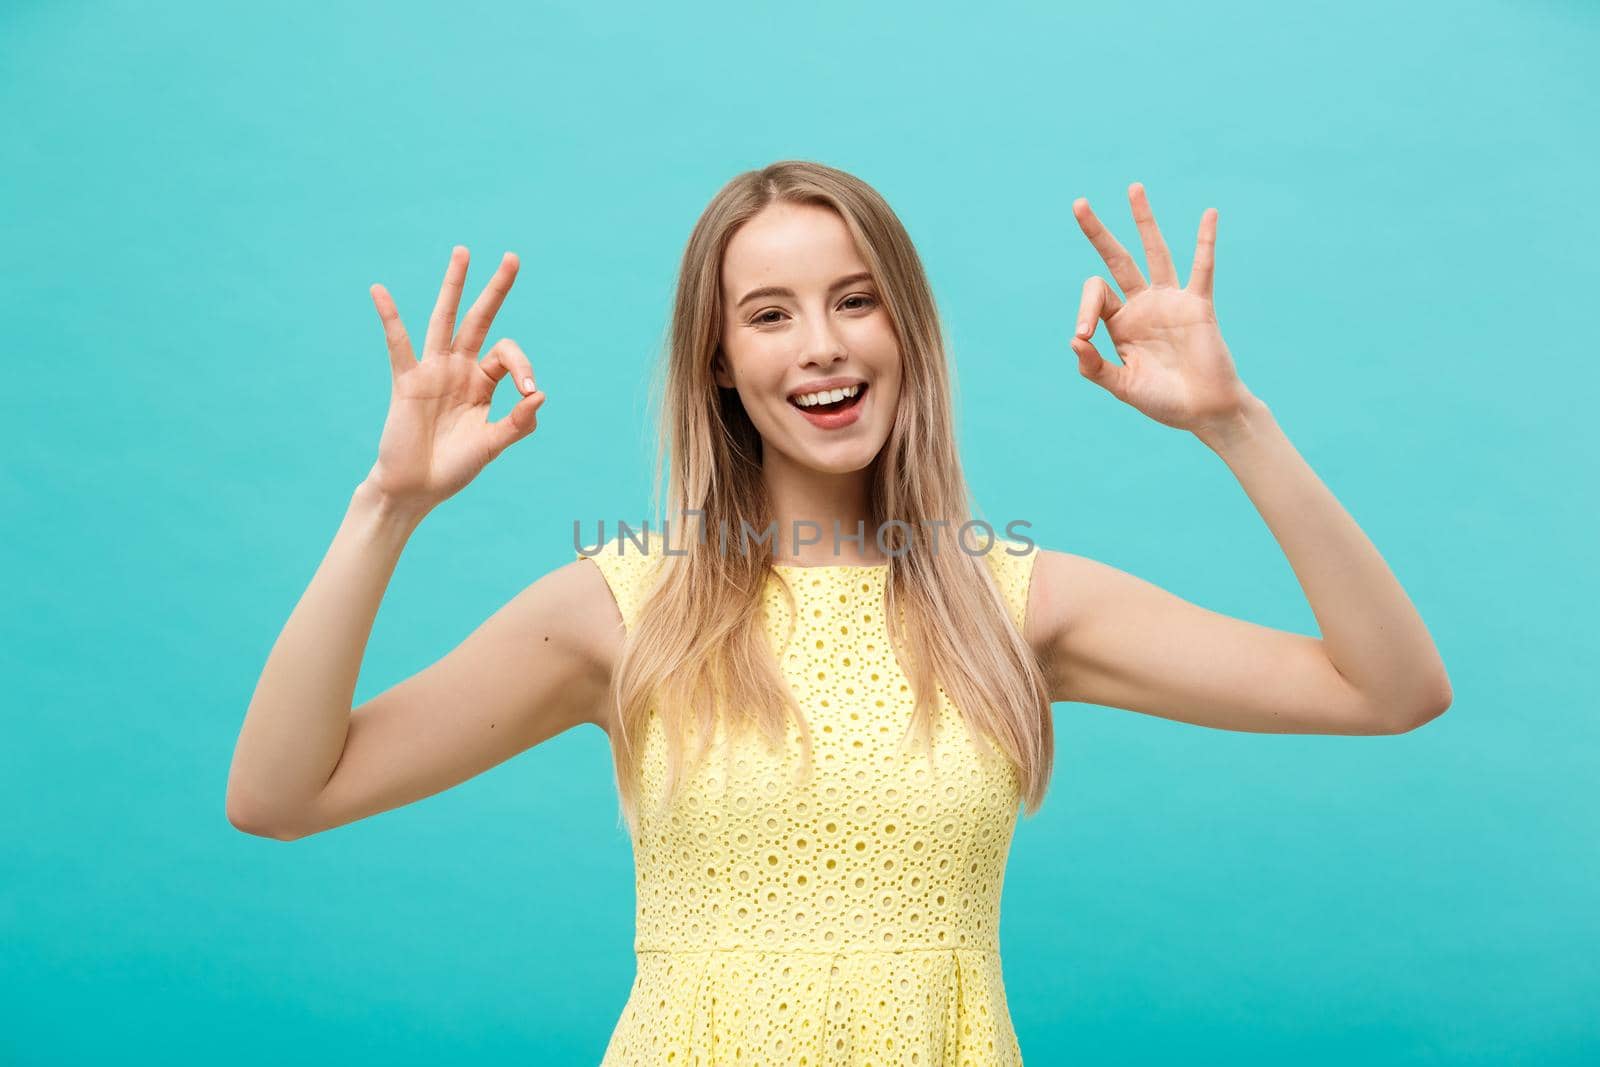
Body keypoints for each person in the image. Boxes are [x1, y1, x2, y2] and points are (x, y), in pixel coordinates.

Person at [226, 160, 1453, 1065]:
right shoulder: (621, 609)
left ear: (905, 331)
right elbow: (281, 794)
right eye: (769, 313)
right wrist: (385, 506)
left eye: (855, 300)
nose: (820, 346)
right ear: (717, 359)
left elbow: (1387, 689)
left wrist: (1233, 424)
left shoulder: (1012, 603)